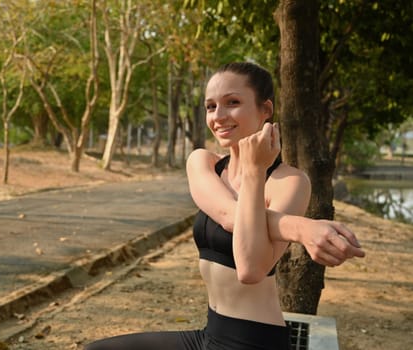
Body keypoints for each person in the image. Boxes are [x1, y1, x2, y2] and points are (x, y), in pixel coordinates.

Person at [85, 61, 365, 350]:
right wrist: (302, 228)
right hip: (209, 334)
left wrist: (256, 170)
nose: (218, 116)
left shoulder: (290, 181)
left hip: (254, 341)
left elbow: (250, 269)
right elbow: (229, 215)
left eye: (232, 103)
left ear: (265, 110)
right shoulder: (203, 163)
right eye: (210, 106)